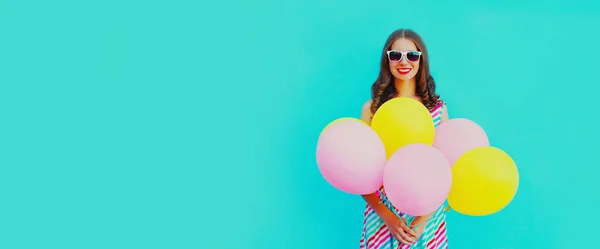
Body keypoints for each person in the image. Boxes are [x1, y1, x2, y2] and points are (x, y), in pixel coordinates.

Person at [358, 29, 450, 249]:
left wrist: (421, 222)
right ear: (387, 60)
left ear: (421, 60)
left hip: (427, 216)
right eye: (395, 55)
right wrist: (388, 218)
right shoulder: (372, 109)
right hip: (383, 215)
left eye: (412, 55)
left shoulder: (438, 109)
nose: (403, 61)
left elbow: (447, 170)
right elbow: (358, 172)